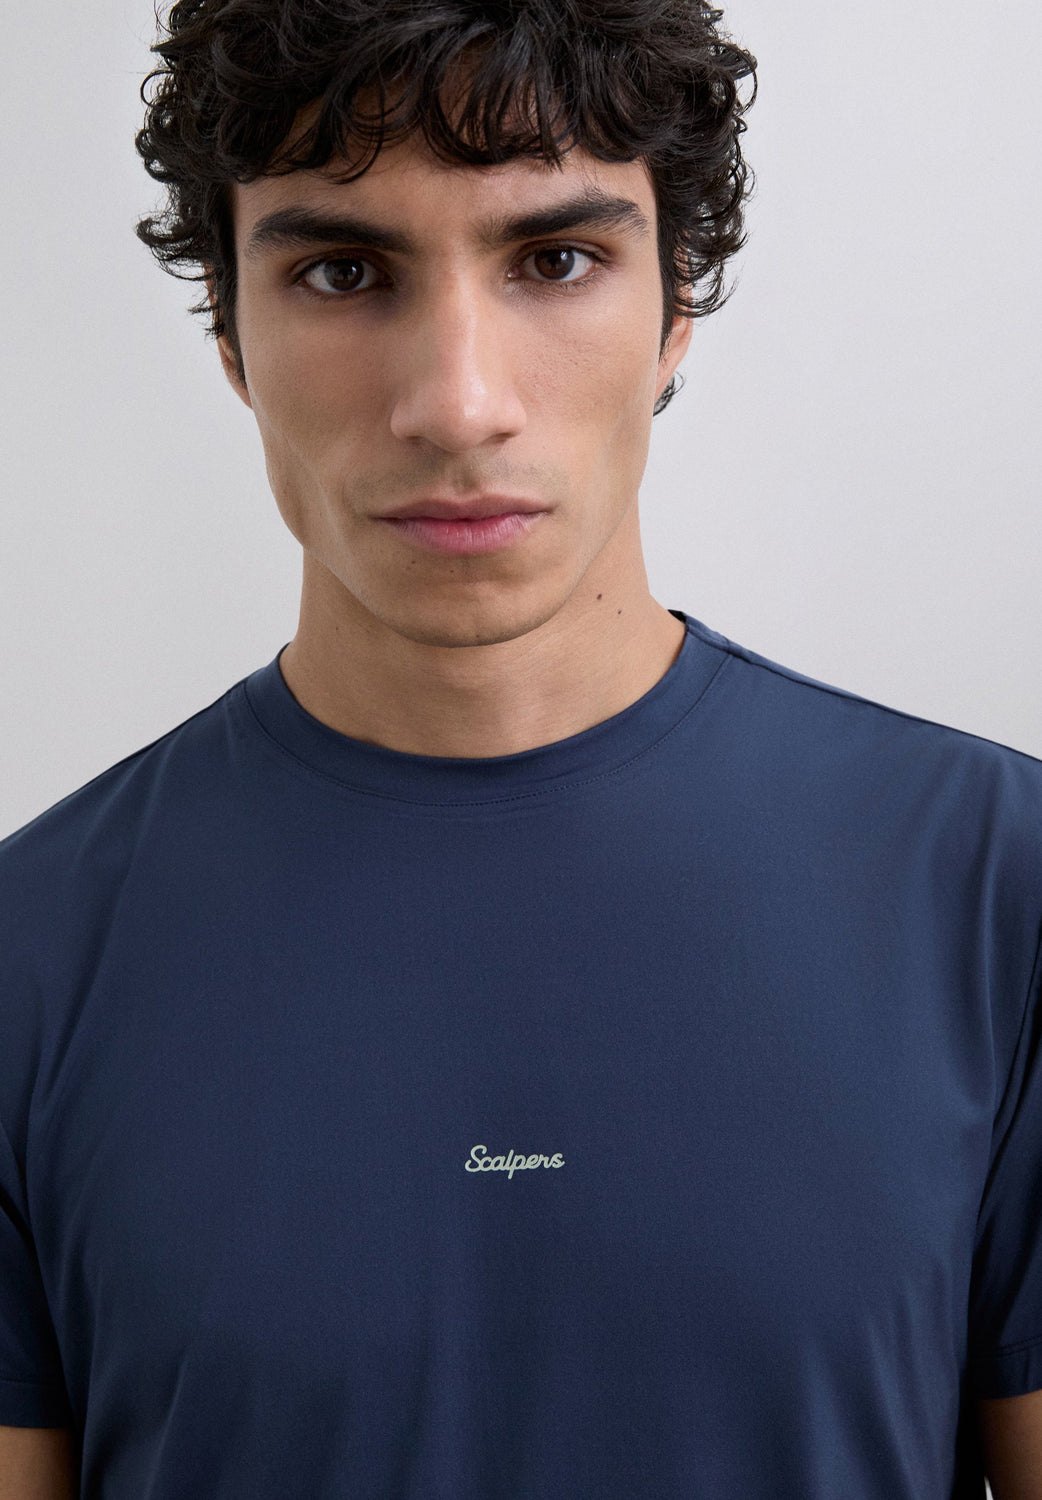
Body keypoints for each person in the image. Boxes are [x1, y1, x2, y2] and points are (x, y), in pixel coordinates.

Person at [1, 0, 1039, 1494]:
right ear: (230, 330)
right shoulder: (28, 958)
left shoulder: (997, 888)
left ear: (676, 306)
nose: (457, 403)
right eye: (343, 271)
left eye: (554, 260)